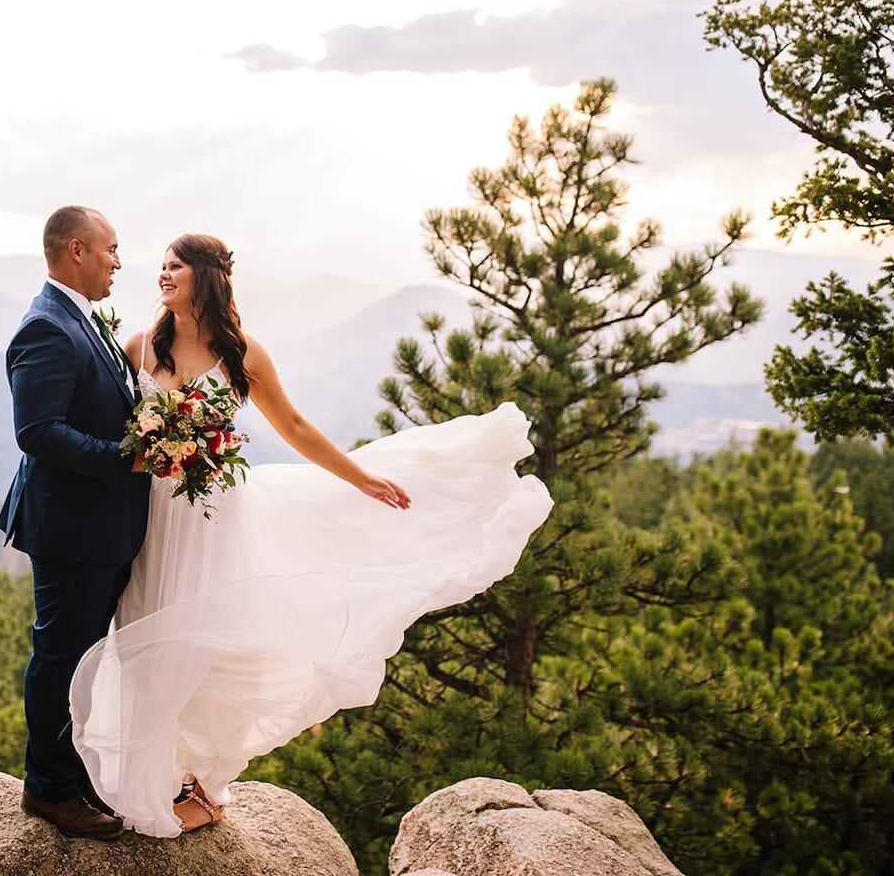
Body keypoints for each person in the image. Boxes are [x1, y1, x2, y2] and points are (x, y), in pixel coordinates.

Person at [69, 233, 554, 837]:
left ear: (206, 278)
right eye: (161, 266)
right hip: (150, 520)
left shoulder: (242, 354)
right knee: (149, 645)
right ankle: (153, 781)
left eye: (174, 266)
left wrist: (360, 478)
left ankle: (206, 784)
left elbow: (294, 425)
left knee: (209, 648)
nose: (161, 274)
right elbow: (111, 429)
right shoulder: (141, 345)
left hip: (216, 521)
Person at [0, 205, 149, 840]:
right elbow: (38, 432)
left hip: (100, 527)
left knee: (85, 655)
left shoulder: (82, 320)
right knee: (61, 657)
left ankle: (73, 772)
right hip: (71, 530)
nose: (120, 261)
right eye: (113, 249)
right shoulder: (47, 328)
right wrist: (126, 458)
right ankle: (49, 790)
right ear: (78, 250)